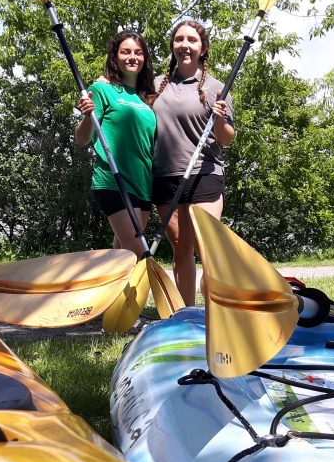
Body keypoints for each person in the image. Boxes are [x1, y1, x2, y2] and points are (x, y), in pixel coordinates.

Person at [151, 20, 235, 306]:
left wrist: (220, 118)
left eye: (191, 40)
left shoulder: (216, 88)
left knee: (208, 250)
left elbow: (226, 139)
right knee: (181, 248)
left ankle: (213, 311)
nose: (184, 45)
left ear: (203, 48)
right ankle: (186, 313)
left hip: (204, 174)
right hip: (165, 177)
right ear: (172, 46)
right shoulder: (155, 87)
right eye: (179, 39)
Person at [74, 30, 157, 258]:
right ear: (115, 57)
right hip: (114, 180)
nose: (132, 57)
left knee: (122, 255)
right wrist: (88, 116)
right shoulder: (101, 90)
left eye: (138, 52)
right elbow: (82, 139)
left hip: (143, 182)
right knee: (138, 253)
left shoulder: (146, 98)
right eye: (126, 52)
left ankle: (112, 283)